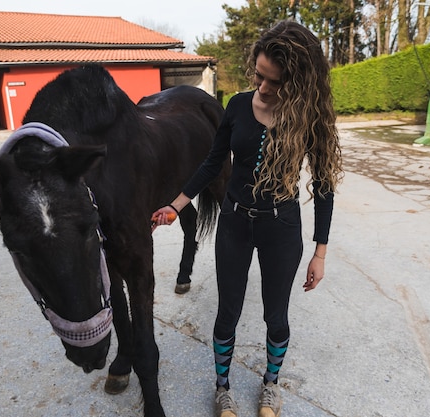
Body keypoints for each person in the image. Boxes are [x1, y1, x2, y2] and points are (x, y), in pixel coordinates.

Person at [151, 20, 343, 417]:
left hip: (282, 227)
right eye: (259, 75)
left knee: (276, 316)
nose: (264, 87)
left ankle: (270, 385)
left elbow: (324, 185)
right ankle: (223, 389)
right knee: (228, 314)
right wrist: (177, 204)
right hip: (235, 223)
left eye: (275, 81)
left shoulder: (308, 117)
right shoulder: (237, 105)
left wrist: (320, 252)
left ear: (297, 82)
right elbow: (213, 160)